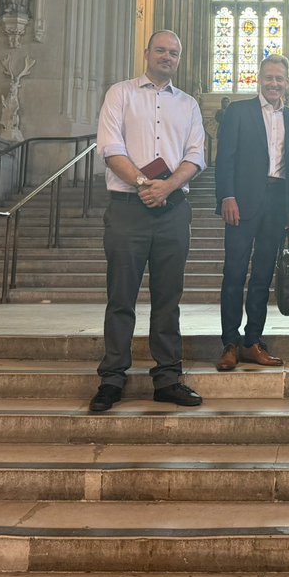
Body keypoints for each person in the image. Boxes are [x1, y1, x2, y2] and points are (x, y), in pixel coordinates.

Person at [89, 31, 206, 412]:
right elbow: (110, 148)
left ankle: (168, 378)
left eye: (174, 52)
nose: (167, 56)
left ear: (179, 59)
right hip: (128, 209)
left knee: (168, 298)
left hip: (172, 211)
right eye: (161, 50)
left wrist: (167, 187)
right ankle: (112, 378)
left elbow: (196, 155)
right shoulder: (120, 94)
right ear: (146, 53)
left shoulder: (189, 104)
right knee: (121, 297)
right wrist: (144, 184)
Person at [215, 54, 289, 370]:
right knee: (234, 273)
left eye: (279, 78)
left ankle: (253, 341)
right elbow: (225, 157)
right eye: (268, 77)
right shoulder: (239, 112)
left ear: (287, 83)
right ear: (259, 79)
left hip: (277, 203)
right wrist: (227, 196)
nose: (273, 83)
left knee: (263, 275)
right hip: (242, 202)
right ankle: (229, 343)